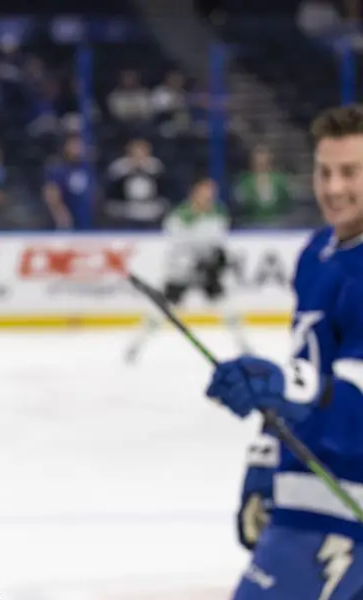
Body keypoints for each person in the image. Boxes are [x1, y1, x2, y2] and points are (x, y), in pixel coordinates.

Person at [205, 104, 363, 599]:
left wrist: (282, 387)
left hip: (347, 508)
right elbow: (307, 365)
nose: (334, 187)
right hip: (305, 493)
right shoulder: (316, 252)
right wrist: (263, 460)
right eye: (325, 171)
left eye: (351, 173)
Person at [124, 176, 247, 363]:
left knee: (228, 308)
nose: (209, 195)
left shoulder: (218, 213)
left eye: (212, 191)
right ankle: (136, 346)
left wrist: (217, 258)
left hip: (207, 272)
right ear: (194, 192)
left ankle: (244, 346)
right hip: (181, 273)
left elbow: (219, 241)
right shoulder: (180, 216)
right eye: (205, 190)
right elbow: (175, 246)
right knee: (161, 310)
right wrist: (191, 262)